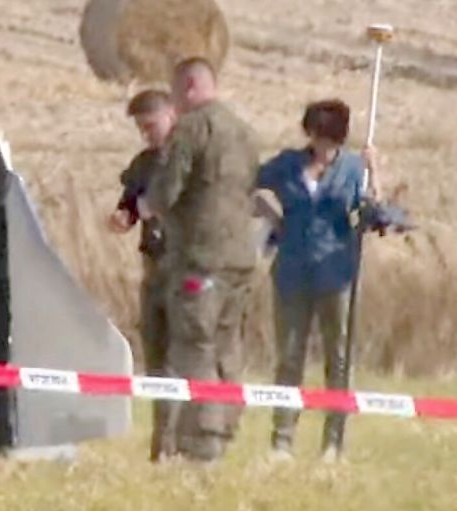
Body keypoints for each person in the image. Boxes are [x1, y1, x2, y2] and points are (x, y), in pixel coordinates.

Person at [144, 57, 261, 464]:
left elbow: (166, 192)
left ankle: (201, 442)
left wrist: (146, 205)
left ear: (190, 87)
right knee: (228, 345)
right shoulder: (245, 132)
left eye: (175, 91)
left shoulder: (192, 127)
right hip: (241, 259)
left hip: (199, 258)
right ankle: (226, 429)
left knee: (195, 345)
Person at [256, 99, 380, 462]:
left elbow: (370, 214)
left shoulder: (354, 168)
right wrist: (271, 216)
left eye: (330, 139)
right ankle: (282, 440)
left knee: (338, 357)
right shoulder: (287, 164)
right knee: (289, 355)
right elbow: (246, 182)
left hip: (337, 273)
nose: (323, 146)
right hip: (291, 271)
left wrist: (375, 173)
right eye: (317, 136)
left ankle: (333, 443)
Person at [107, 88, 178, 462]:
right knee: (156, 355)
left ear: (171, 115)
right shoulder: (143, 164)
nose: (146, 134)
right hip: (154, 265)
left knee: (185, 354)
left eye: (150, 125)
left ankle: (185, 441)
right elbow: (130, 205)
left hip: (186, 267)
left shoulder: (190, 159)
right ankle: (161, 442)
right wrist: (124, 217)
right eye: (140, 128)